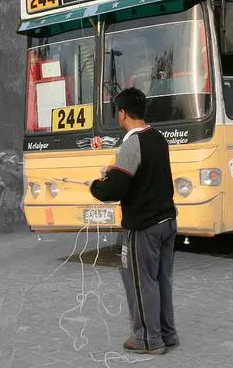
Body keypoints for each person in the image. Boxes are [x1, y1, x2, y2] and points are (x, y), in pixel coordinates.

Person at [89, 87, 179, 355]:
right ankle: (167, 333)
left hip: (144, 227)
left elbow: (115, 190)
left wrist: (95, 185)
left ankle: (148, 340)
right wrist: (114, 170)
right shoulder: (158, 137)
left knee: (140, 283)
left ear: (123, 113)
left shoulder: (131, 143)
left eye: (118, 112)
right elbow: (144, 175)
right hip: (167, 222)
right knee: (162, 279)